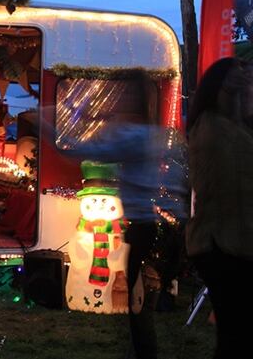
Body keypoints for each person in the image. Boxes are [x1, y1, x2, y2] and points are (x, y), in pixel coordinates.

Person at [55, 70, 188, 359]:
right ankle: (144, 346)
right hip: (161, 229)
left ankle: (143, 351)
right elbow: (177, 180)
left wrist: (49, 122)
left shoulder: (131, 135)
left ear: (134, 100)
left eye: (124, 95)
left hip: (142, 228)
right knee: (145, 296)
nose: (118, 102)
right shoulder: (158, 136)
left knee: (138, 298)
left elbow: (90, 150)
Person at [186, 57, 253, 358]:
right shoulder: (212, 128)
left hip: (233, 242)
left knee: (236, 332)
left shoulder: (234, 126)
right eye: (237, 74)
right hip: (221, 244)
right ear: (222, 83)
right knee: (235, 333)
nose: (245, 77)